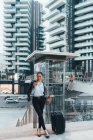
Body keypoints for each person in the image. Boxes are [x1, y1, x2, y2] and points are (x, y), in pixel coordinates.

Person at [27, 72, 50, 138]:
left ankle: (39, 129)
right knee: (40, 114)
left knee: (41, 115)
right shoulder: (33, 83)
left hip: (42, 100)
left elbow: (44, 92)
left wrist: (47, 98)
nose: (39, 77)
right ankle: (45, 130)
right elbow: (29, 92)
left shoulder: (43, 84)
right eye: (38, 76)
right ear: (36, 77)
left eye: (40, 76)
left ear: (42, 77)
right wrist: (33, 87)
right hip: (35, 100)